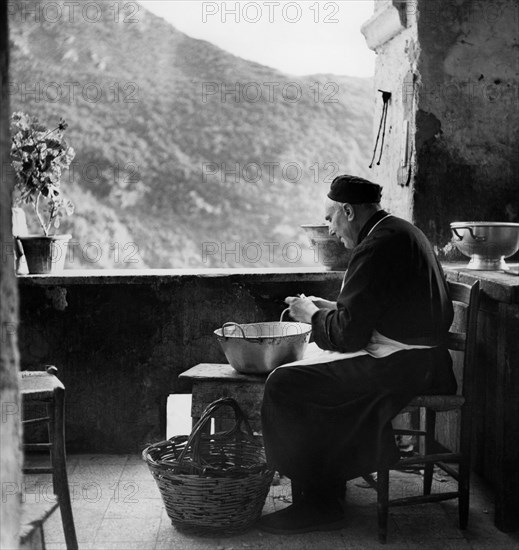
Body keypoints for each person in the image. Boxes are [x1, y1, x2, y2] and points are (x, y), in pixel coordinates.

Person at [258, 175, 457, 534]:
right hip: (424, 362)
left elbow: (349, 335)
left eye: (331, 219)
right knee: (309, 377)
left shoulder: (377, 245)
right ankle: (326, 485)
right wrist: (329, 307)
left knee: (285, 384)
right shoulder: (399, 232)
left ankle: (316, 503)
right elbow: (381, 311)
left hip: (402, 366)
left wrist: (312, 316)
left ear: (349, 211)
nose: (331, 230)